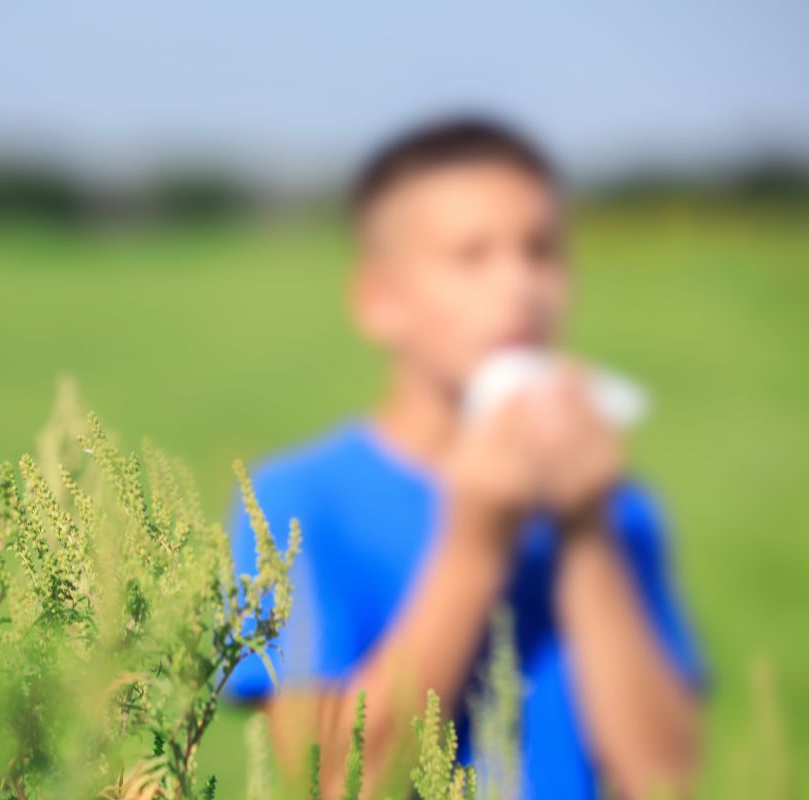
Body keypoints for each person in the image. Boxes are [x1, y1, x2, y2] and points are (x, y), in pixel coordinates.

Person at [226, 118, 704, 799]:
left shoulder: (616, 507)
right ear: (379, 300)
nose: (519, 286)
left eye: (541, 251)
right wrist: (476, 542)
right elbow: (335, 778)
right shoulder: (296, 502)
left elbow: (668, 777)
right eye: (470, 256)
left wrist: (588, 535)